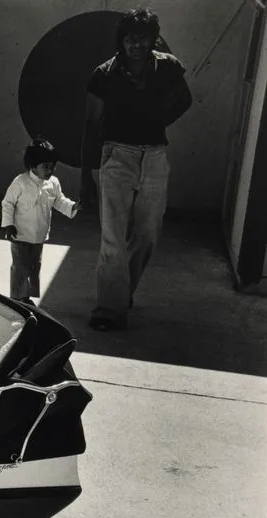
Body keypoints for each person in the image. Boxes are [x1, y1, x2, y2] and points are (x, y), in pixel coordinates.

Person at [80, 7, 192, 331]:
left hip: (155, 156)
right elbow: (90, 123)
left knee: (147, 234)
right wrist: (86, 175)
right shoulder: (104, 74)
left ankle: (122, 291)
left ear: (152, 40)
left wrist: (160, 119)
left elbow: (184, 99)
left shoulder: (168, 67)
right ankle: (108, 309)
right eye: (129, 38)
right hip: (117, 156)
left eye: (141, 38)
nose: (135, 45)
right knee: (113, 236)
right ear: (122, 40)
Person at [1, 138, 79, 305]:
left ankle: (26, 297)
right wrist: (8, 225)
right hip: (20, 234)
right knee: (20, 267)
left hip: (39, 235)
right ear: (32, 166)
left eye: (52, 166)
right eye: (45, 166)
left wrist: (72, 207)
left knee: (34, 267)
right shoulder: (20, 182)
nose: (50, 170)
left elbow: (59, 201)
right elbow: (8, 203)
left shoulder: (53, 183)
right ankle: (17, 298)